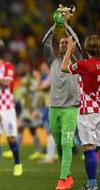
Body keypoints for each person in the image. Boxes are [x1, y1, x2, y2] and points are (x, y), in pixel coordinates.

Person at [42, 14, 82, 189]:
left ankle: (62, 179)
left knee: (66, 143)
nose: (63, 45)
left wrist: (66, 25)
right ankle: (68, 175)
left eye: (67, 43)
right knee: (59, 143)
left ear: (72, 46)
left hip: (71, 109)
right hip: (54, 108)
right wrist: (55, 25)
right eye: (61, 43)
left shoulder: (77, 60)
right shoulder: (53, 61)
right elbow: (45, 43)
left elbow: (77, 43)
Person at [61, 35, 100, 190]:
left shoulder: (85, 65)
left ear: (86, 48)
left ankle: (92, 185)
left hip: (88, 112)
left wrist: (69, 50)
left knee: (89, 147)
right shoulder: (88, 65)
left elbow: (65, 67)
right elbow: (83, 67)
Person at [0, 48, 23, 177]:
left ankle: (18, 163)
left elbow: (7, 82)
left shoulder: (8, 66)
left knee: (10, 137)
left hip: (7, 107)